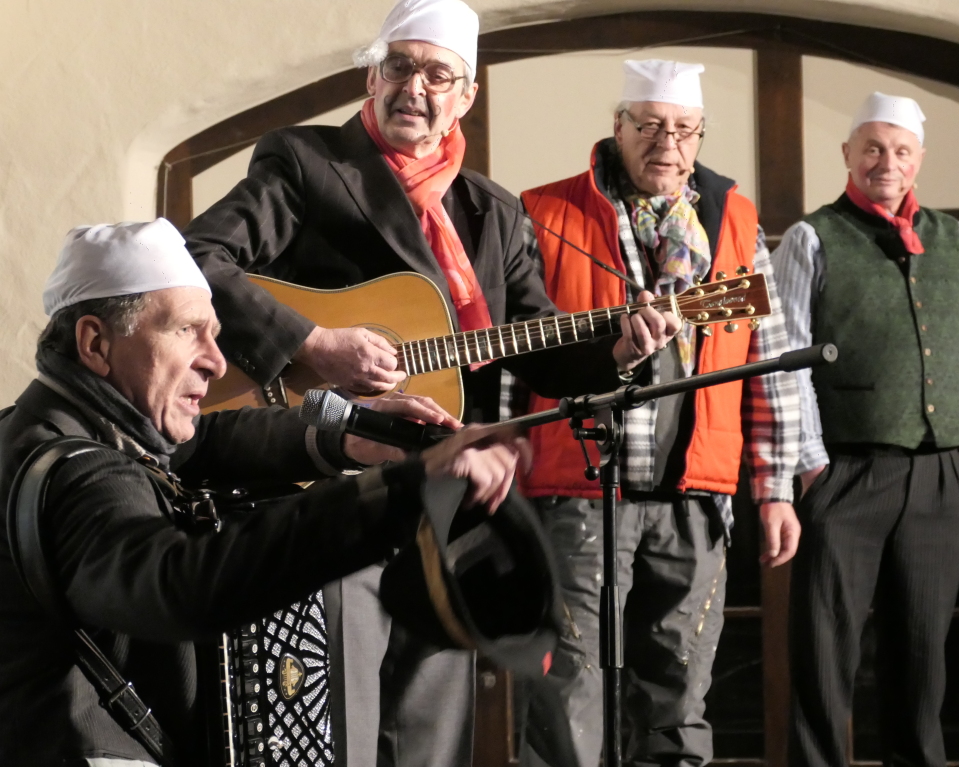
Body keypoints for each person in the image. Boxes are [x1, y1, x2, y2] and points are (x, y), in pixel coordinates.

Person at [182, 1, 681, 763]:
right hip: (326, 485)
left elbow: (538, 346)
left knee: (430, 734)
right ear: (373, 75)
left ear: (466, 94)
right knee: (336, 723)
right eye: (400, 67)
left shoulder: (492, 211)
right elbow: (198, 260)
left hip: (444, 496)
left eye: (437, 73)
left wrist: (620, 346)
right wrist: (313, 342)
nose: (416, 87)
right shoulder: (305, 162)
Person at [0, 220, 528, 766]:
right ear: (95, 343)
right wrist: (387, 498)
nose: (216, 360)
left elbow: (206, 440)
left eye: (214, 334)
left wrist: (349, 436)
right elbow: (179, 587)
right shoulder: (79, 474)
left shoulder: (50, 425)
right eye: (186, 330)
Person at [508, 59, 801, 767]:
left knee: (678, 691)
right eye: (649, 127)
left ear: (699, 136)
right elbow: (505, 352)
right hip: (578, 490)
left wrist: (777, 487)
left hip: (694, 494)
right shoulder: (544, 211)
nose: (666, 143)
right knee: (569, 689)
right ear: (618, 128)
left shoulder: (736, 219)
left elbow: (773, 361)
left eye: (684, 130)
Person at [771, 91, 959, 767]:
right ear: (848, 154)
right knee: (824, 652)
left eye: (901, 150)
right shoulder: (811, 237)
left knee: (922, 656)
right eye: (872, 147)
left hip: (938, 474)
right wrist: (812, 463)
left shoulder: (953, 236)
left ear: (919, 159)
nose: (887, 162)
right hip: (846, 471)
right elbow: (784, 361)